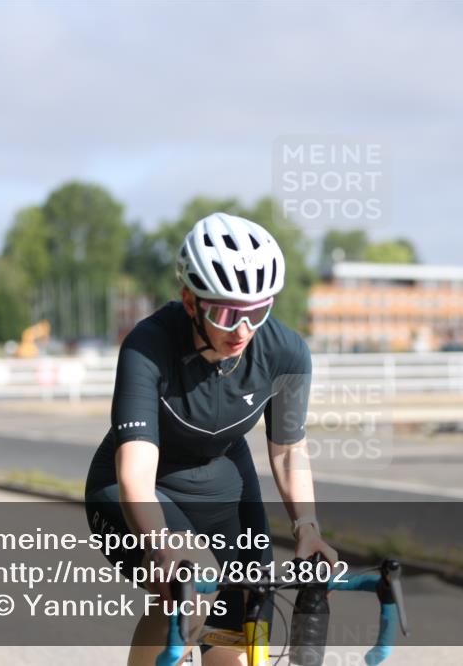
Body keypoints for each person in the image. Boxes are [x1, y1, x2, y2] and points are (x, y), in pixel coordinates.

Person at [84, 212, 337, 666]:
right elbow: (136, 473)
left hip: (222, 483)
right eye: (226, 314)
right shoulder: (148, 346)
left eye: (258, 312)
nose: (243, 331)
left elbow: (288, 451)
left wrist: (308, 527)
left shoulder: (286, 352)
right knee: (192, 586)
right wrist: (159, 543)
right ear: (190, 300)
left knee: (244, 630)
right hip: (139, 486)